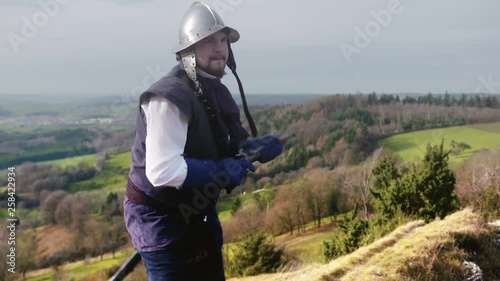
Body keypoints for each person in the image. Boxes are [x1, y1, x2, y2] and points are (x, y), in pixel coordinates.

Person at [123, 2, 284, 280]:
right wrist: (220, 171)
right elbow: (162, 170)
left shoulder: (213, 88)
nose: (219, 48)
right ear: (188, 50)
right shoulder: (168, 97)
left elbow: (222, 147)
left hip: (199, 213)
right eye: (208, 41)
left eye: (223, 40)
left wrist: (253, 149)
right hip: (161, 224)